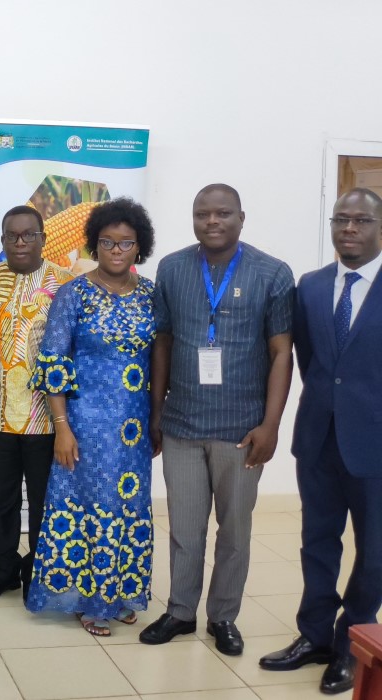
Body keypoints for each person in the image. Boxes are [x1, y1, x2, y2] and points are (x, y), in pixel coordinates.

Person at [140, 184, 294, 655]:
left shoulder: (272, 273)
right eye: (202, 213)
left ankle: (223, 616)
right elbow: (162, 342)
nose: (212, 221)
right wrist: (157, 409)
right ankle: (181, 612)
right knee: (185, 528)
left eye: (223, 213)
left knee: (235, 531)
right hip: (183, 423)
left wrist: (270, 425)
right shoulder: (172, 268)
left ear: (241, 218)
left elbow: (281, 351)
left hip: (242, 429)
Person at [259, 188, 382, 695]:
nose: (349, 229)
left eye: (362, 220)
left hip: (375, 446)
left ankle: (353, 640)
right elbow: (308, 362)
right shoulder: (309, 287)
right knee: (316, 543)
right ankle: (313, 635)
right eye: (341, 219)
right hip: (318, 439)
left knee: (374, 552)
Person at [24, 198, 157, 637]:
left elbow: (161, 359)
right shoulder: (73, 294)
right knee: (92, 507)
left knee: (127, 506)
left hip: (133, 428)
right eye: (107, 242)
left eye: (126, 243)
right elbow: (53, 363)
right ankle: (89, 600)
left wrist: (157, 419)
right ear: (94, 245)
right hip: (84, 424)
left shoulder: (152, 295)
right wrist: (62, 427)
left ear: (139, 247)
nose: (117, 250)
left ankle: (117, 594)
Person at [0, 205, 75, 602]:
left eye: (28, 235)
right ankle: (3, 571)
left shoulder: (65, 283)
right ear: (2, 241)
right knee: (0, 499)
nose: (20, 242)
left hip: (47, 419)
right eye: (12, 236)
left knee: (45, 499)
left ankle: (38, 570)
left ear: (44, 239)